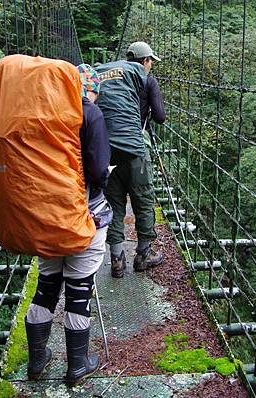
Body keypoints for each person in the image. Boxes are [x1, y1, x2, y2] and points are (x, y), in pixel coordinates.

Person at [24, 64, 112, 387]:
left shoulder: (44, 112)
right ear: (92, 89)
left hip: (46, 219)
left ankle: (36, 361)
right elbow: (100, 171)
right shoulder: (91, 115)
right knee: (78, 290)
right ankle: (77, 366)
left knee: (46, 286)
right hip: (82, 218)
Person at [95, 41, 165, 278]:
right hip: (135, 152)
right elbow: (161, 117)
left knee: (113, 203)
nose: (151, 66)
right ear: (145, 61)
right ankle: (143, 256)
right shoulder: (148, 81)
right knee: (143, 201)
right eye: (151, 62)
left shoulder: (107, 78)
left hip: (107, 152)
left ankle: (116, 260)